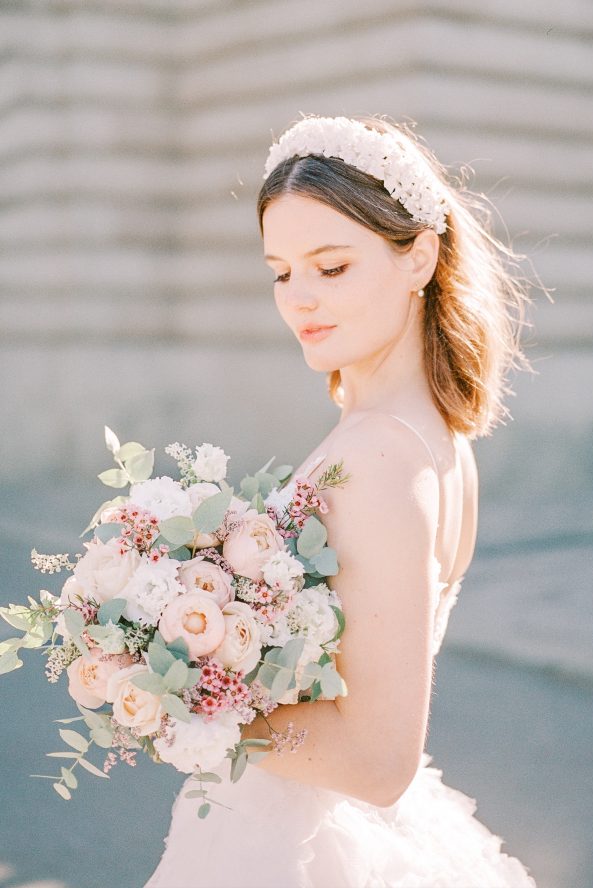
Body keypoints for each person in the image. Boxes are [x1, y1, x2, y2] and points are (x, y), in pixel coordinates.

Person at [143, 114, 538, 887]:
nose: (299, 300)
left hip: (299, 847)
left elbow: (379, 760)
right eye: (282, 272)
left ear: (417, 256)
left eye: (331, 266)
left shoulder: (381, 455)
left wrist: (193, 709)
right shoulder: (426, 438)